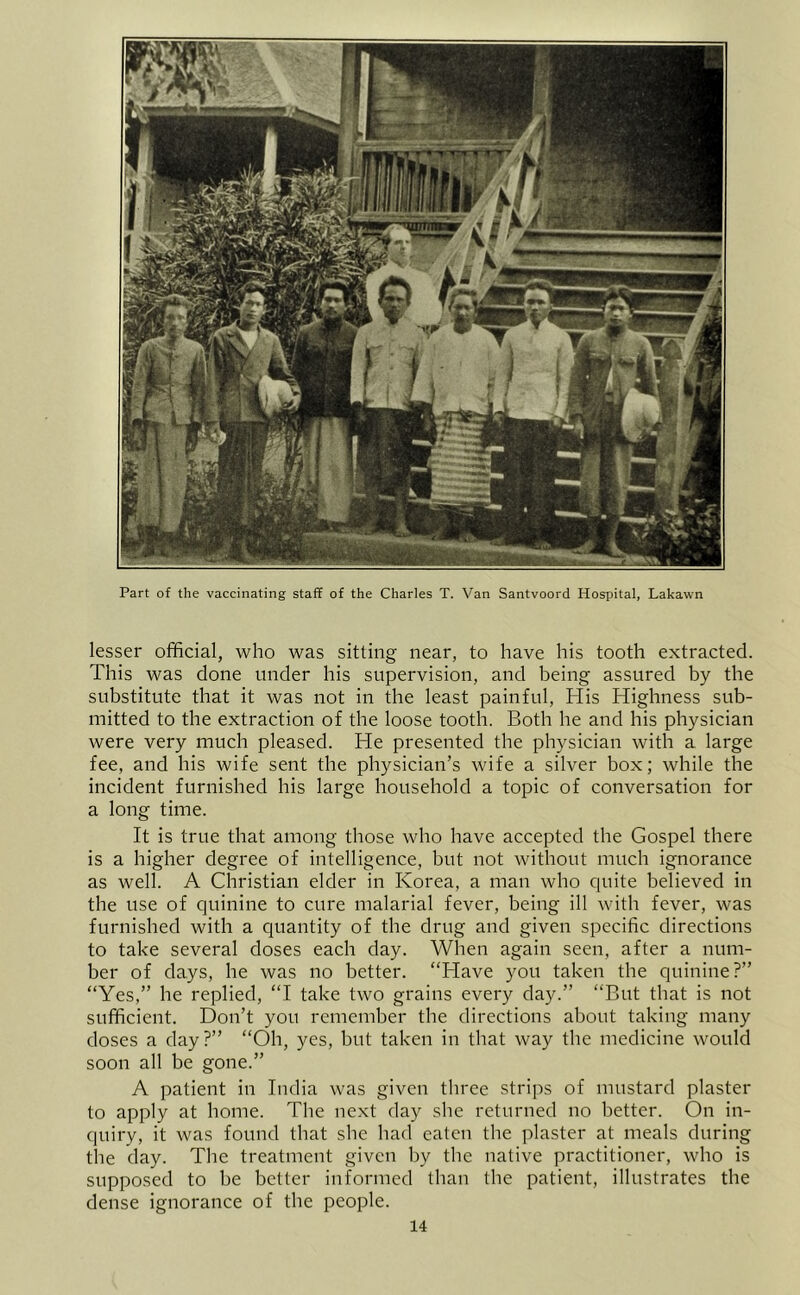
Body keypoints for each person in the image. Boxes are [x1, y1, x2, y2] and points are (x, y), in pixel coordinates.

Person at [205, 281, 300, 563]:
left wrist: (295, 393)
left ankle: (243, 542)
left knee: (250, 480)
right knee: (229, 479)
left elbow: (283, 372)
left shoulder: (270, 340)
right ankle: (223, 542)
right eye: (248, 302)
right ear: (239, 305)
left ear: (264, 309)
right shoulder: (223, 336)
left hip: (258, 418)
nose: (253, 308)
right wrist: (213, 420)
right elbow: (212, 381)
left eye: (258, 304)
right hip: (231, 418)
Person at [568, 284, 659, 558]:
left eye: (621, 308)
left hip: (625, 421)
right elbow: (575, 384)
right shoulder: (588, 340)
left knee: (617, 481)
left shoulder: (641, 344)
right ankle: (592, 538)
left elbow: (651, 388)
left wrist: (651, 422)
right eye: (611, 308)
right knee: (590, 480)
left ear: (631, 313)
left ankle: (610, 541)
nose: (616, 313)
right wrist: (577, 418)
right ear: (603, 311)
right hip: (594, 418)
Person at [411, 284, 498, 542]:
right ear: (449, 310)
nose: (462, 312)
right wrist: (426, 416)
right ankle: (447, 524)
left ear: (475, 311)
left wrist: (493, 417)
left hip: (476, 416)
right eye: (457, 307)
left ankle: (465, 527)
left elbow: (496, 381)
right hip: (444, 414)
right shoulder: (438, 338)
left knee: (470, 473)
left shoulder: (487, 340)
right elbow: (425, 376)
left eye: (467, 307)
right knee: (444, 472)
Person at [491, 279, 573, 549]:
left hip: (545, 416)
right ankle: (511, 530)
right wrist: (500, 409)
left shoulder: (561, 337)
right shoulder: (512, 335)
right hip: (516, 413)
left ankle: (540, 533)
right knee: (513, 475)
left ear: (551, 306)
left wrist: (560, 414)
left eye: (540, 302)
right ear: (523, 305)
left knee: (541, 477)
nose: (535, 307)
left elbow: (566, 380)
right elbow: (502, 375)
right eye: (530, 302)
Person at [129, 294, 206, 559]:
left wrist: (195, 426)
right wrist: (137, 423)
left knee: (174, 481)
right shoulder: (149, 348)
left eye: (180, 317)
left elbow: (199, 389)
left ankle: (169, 538)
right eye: (170, 317)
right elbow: (139, 385)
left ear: (187, 321)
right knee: (150, 479)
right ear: (162, 320)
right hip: (153, 419)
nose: (175, 322)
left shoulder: (195, 350)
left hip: (180, 422)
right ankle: (147, 540)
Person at [350, 276, 425, 536]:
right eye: (389, 299)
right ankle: (372, 517)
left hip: (402, 410)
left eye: (399, 299)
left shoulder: (416, 334)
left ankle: (399, 520)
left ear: (408, 303)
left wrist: (420, 408)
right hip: (372, 408)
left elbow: (422, 373)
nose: (394, 304)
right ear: (380, 302)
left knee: (401, 468)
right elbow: (358, 370)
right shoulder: (366, 332)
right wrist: (358, 405)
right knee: (371, 466)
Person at [292, 280, 358, 532]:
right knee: (313, 465)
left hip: (340, 410)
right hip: (312, 408)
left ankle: (337, 517)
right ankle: (316, 516)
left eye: (337, 300)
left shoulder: (354, 334)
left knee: (338, 467)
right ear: (320, 303)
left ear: (346, 305)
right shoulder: (306, 333)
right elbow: (296, 371)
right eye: (327, 299)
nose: (331, 304)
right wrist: (296, 406)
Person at [365, 224, 443, 328]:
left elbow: (435, 314)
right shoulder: (376, 278)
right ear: (385, 247)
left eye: (407, 242)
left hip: (420, 336)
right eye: (398, 242)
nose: (404, 247)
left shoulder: (423, 278)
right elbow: (378, 315)